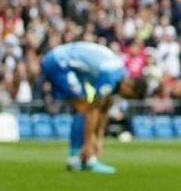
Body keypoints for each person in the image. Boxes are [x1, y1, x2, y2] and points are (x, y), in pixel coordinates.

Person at [42, 42, 146, 173]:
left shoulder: (119, 74)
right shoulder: (111, 76)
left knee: (84, 108)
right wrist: (88, 144)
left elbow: (104, 108)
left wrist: (99, 139)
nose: (123, 97)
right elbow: (93, 110)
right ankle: (80, 158)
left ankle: (79, 158)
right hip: (59, 62)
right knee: (83, 108)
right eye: (127, 96)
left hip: (68, 64)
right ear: (129, 87)